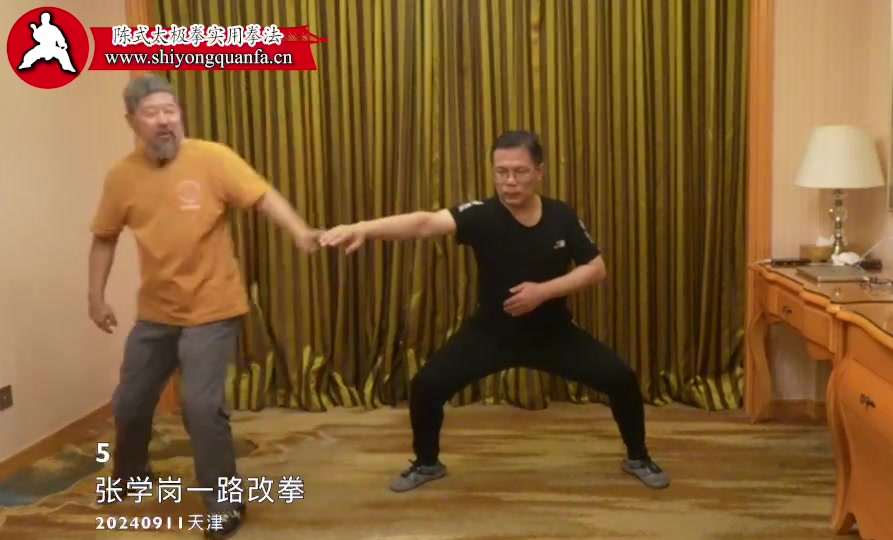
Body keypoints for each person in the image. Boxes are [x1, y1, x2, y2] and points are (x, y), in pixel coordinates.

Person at [319, 130, 669, 492]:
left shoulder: (561, 216)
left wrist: (542, 292)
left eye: (519, 172)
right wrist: (361, 228)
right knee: (426, 386)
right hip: (491, 333)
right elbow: (424, 223)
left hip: (553, 333)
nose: (509, 181)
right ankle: (426, 464)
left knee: (621, 378)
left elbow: (596, 269)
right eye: (501, 172)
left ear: (539, 172)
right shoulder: (482, 215)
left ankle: (638, 457)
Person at [87, 74, 323, 539]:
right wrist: (96, 297)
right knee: (130, 402)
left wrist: (299, 231)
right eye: (152, 113)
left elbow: (263, 196)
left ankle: (225, 504)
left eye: (170, 110)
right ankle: (131, 473)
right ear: (132, 122)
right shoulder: (121, 177)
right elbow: (104, 238)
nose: (164, 121)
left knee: (200, 405)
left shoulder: (212, 158)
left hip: (213, 306)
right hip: (157, 310)